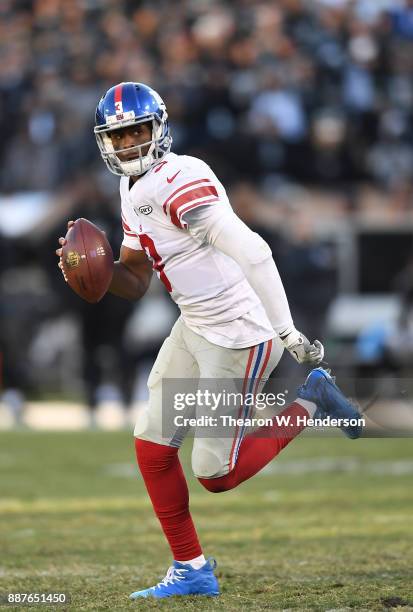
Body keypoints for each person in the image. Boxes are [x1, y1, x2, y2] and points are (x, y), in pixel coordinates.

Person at [56, 82, 362, 600]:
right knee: (152, 447)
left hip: (239, 334)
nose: (129, 144)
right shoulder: (132, 188)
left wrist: (287, 332)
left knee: (215, 475)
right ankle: (192, 569)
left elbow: (257, 251)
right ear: (105, 142)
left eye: (138, 132)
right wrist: (95, 271)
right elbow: (135, 280)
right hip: (193, 324)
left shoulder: (181, 180)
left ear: (159, 129)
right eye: (119, 135)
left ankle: (313, 397)